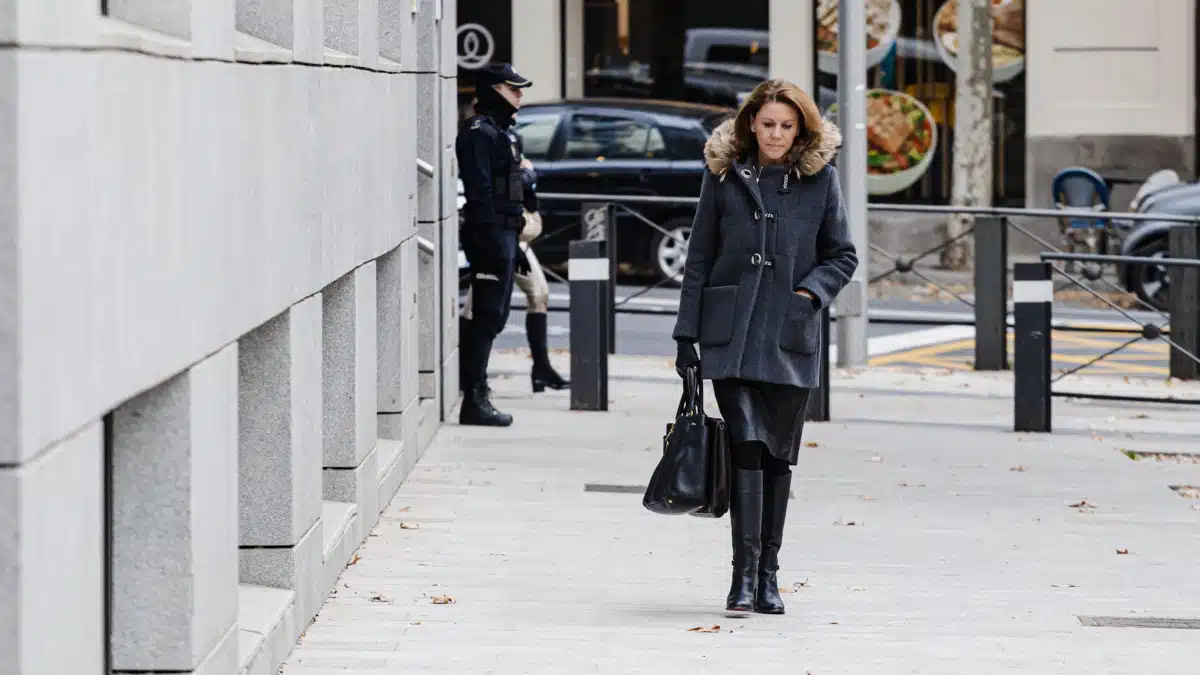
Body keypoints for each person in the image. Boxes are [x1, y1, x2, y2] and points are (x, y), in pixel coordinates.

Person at [671, 79, 858, 614]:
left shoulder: (821, 180)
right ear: (751, 122)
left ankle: (769, 575)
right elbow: (699, 257)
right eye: (768, 123)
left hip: (789, 337)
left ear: (800, 130)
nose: (776, 134)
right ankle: (743, 576)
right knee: (745, 446)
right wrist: (686, 335)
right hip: (730, 336)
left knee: (777, 456)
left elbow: (842, 256)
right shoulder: (723, 176)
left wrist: (808, 294)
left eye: (787, 126)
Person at [455, 63, 532, 426]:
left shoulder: (501, 133)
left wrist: (514, 244)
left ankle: (476, 390)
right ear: (493, 90)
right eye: (512, 88)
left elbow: (510, 190)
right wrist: (492, 244)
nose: (520, 95)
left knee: (495, 316)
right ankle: (474, 398)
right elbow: (480, 193)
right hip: (490, 235)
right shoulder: (478, 133)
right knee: (486, 317)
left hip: (505, 234)